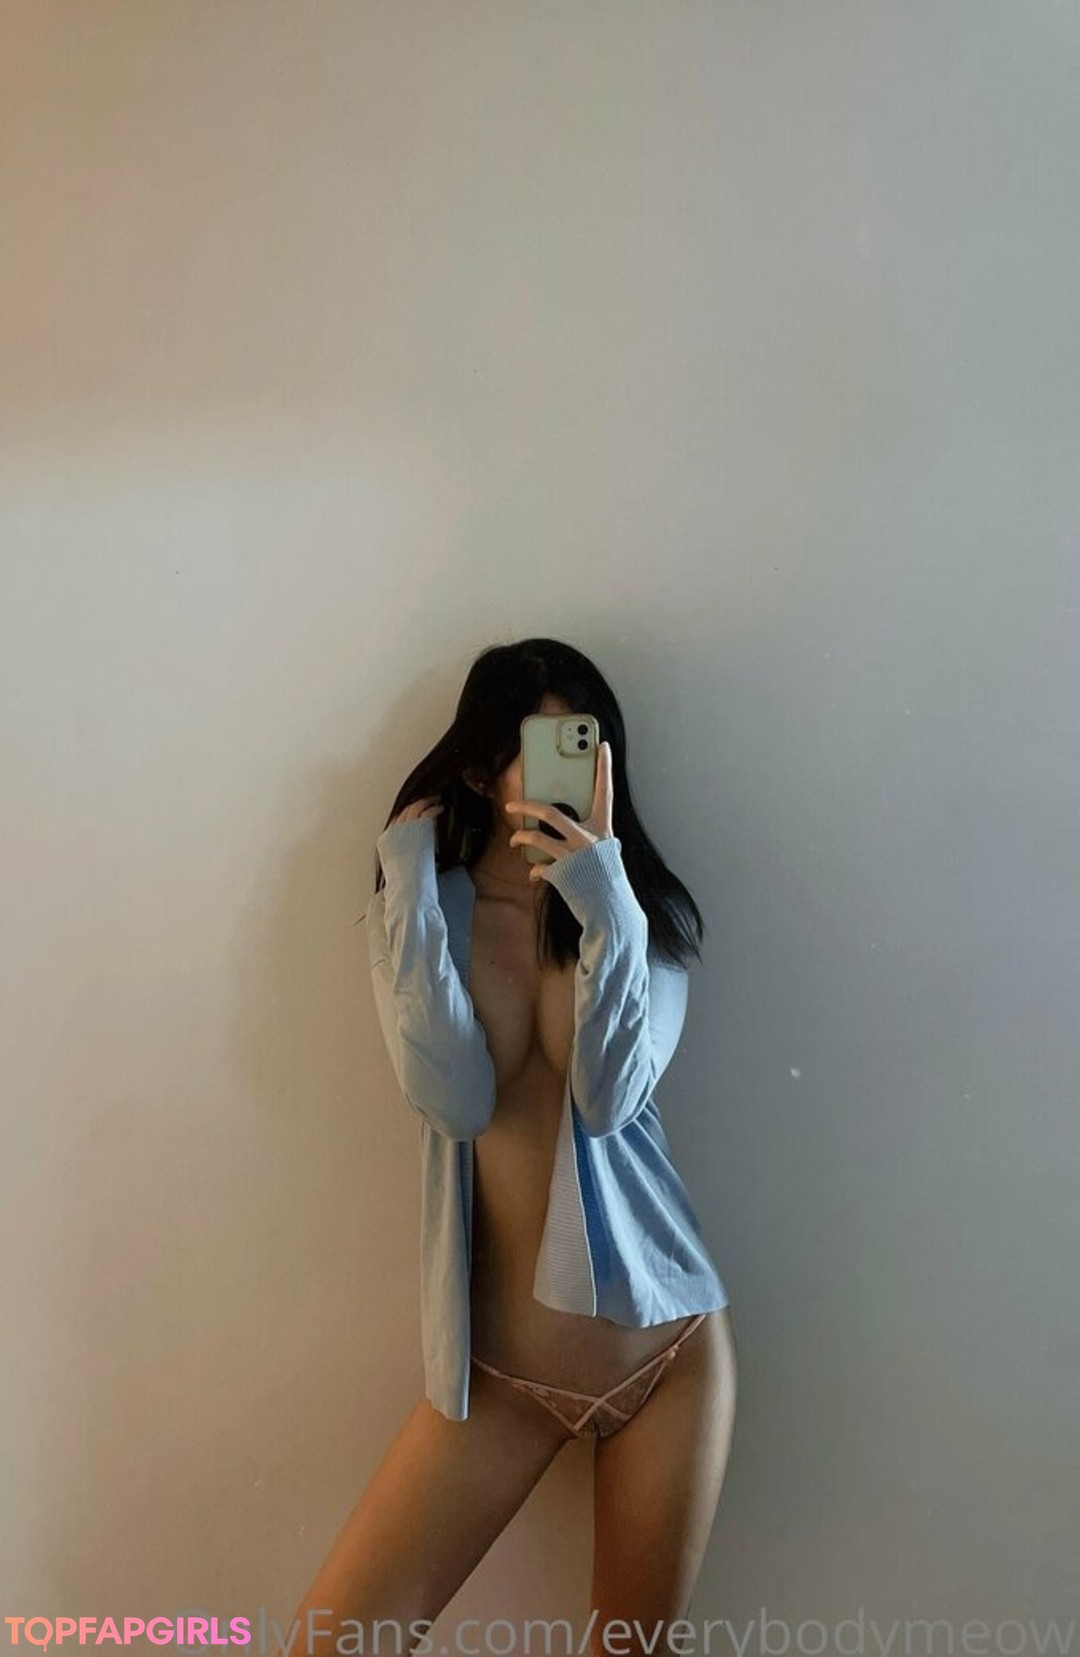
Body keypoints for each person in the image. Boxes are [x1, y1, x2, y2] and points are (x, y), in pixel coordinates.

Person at [283, 638, 737, 1656]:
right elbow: (450, 1099)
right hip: (499, 1378)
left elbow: (610, 1099)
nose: (562, 764)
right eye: (539, 742)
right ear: (486, 766)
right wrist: (407, 879)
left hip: (667, 1356)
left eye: (583, 740)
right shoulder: (425, 905)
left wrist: (604, 894)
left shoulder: (641, 915)